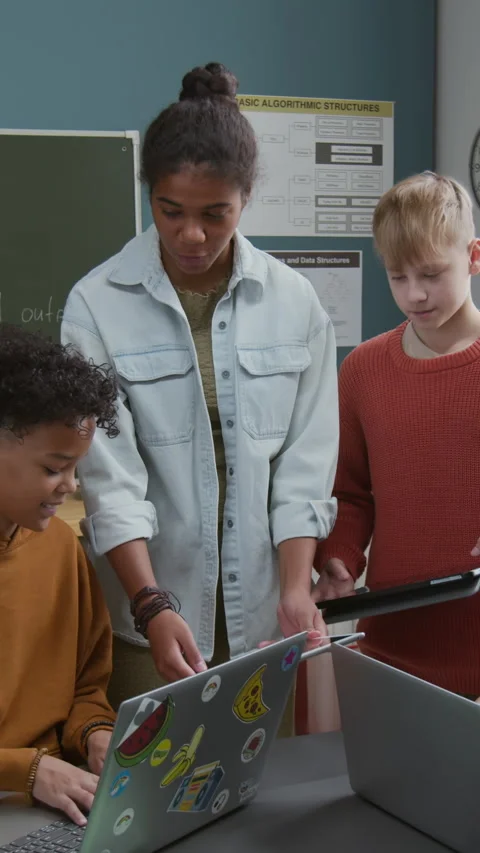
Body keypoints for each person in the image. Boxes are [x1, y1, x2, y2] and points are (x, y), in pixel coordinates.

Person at [61, 62, 339, 730]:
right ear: (149, 195)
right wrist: (152, 606)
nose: (191, 235)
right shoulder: (97, 305)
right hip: (147, 618)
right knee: (156, 809)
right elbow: (111, 483)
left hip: (265, 622)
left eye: (215, 214)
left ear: (245, 199)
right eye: (171, 211)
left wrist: (297, 591)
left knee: (264, 806)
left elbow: (303, 465)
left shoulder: (294, 301)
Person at [313, 171, 480, 698]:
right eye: (397, 276)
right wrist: (339, 554)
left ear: (474, 257)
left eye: (431, 273)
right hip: (392, 646)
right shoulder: (363, 369)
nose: (414, 294)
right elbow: (350, 490)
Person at [0, 324, 118, 825]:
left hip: (50, 803)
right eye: (54, 468)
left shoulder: (60, 549)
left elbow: (85, 688)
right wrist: (25, 771)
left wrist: (95, 733)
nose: (69, 487)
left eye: (77, 469)